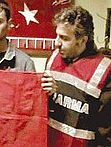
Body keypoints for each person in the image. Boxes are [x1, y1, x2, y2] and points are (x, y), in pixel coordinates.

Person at [41, 6, 111, 146]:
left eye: (64, 38)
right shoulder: (53, 58)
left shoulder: (104, 69)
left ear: (82, 40)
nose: (56, 43)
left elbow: (106, 131)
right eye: (57, 35)